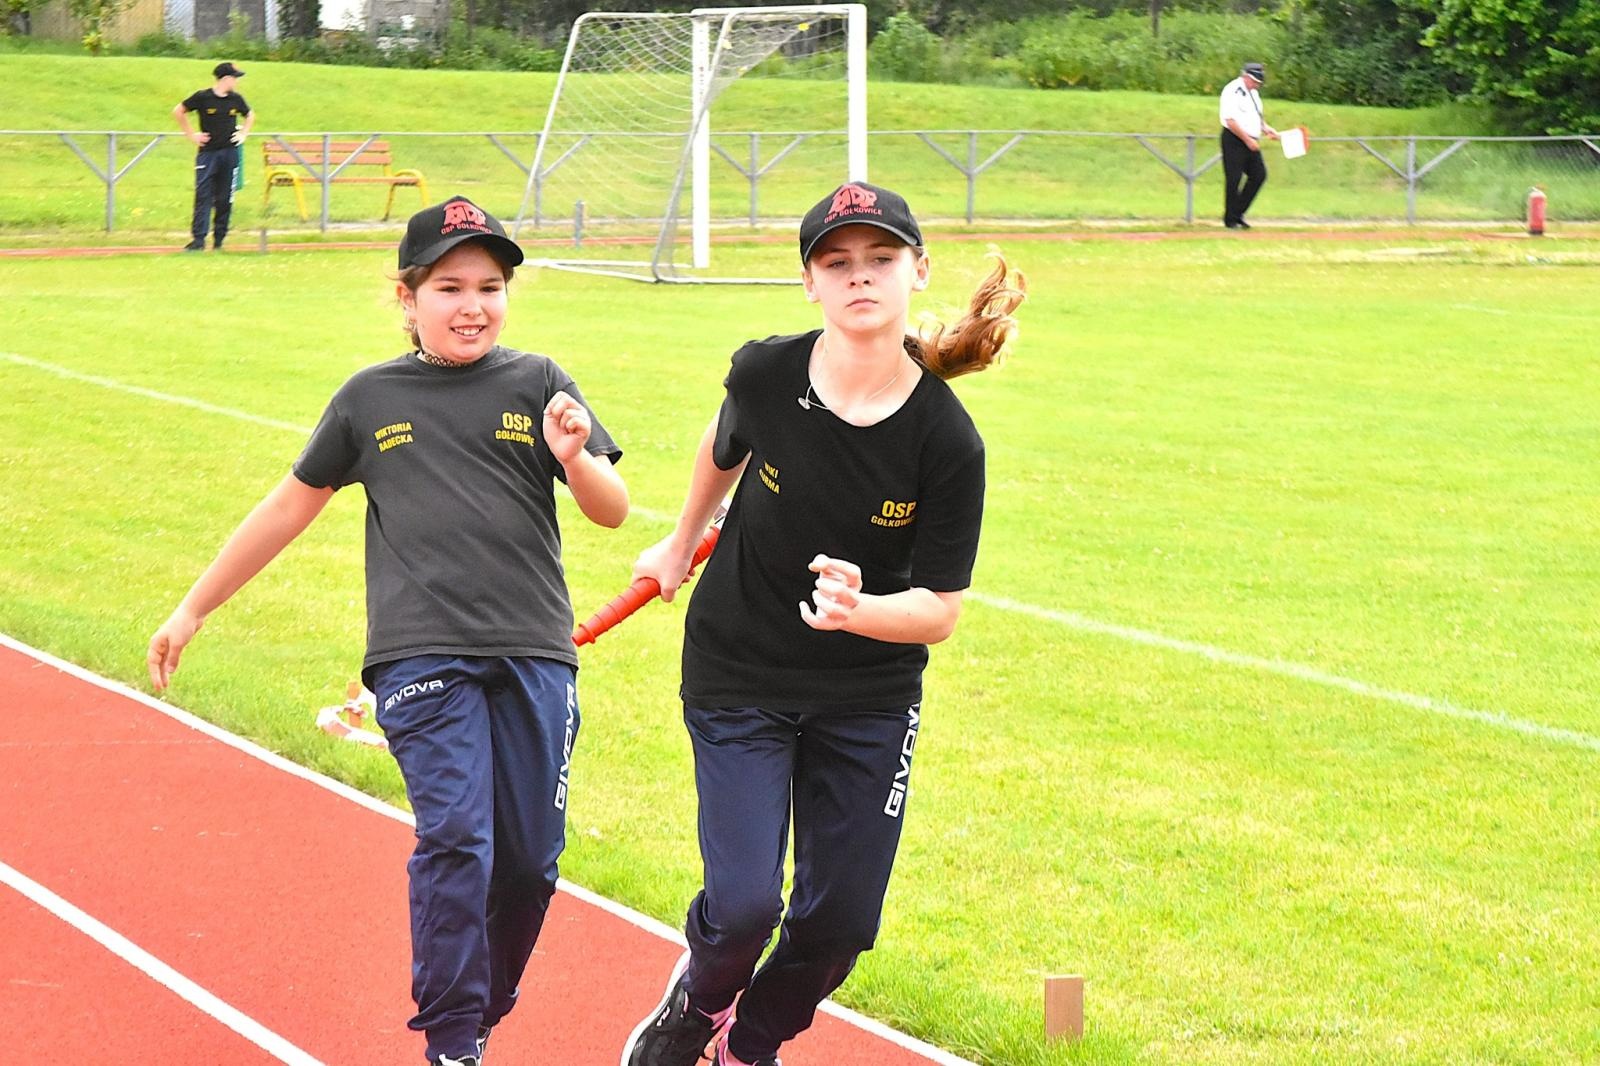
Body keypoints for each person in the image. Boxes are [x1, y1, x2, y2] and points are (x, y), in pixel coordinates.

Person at [146, 195, 629, 1066]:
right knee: (456, 836)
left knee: (528, 863)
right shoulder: (370, 398)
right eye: (449, 286)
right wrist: (194, 606)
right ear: (407, 298)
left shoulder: (541, 382)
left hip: (535, 653)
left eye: (490, 285)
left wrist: (575, 455)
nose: (472, 304)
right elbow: (289, 506)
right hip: (418, 656)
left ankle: (480, 1007)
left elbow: (610, 510)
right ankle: (450, 1041)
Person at [620, 181, 1024, 1066]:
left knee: (840, 925)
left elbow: (940, 614)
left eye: (881, 259)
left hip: (866, 698)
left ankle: (747, 1048)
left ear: (918, 270)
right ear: (811, 283)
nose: (860, 277)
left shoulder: (946, 443)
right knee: (740, 911)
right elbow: (723, 448)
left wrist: (859, 610)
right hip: (739, 672)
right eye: (836, 263)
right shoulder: (765, 372)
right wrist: (680, 541)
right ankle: (698, 1002)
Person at [173, 61, 255, 251]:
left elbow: (250, 115)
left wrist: (244, 133)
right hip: (208, 154)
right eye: (235, 78)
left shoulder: (236, 99)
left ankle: (219, 240)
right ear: (226, 79)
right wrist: (192, 135)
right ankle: (198, 239)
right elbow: (179, 111)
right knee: (203, 195)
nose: (237, 82)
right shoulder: (203, 97)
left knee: (225, 197)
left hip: (229, 153)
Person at [1219, 60, 1279, 230]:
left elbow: (1256, 115)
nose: (1257, 85)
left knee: (1259, 175)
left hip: (1251, 139)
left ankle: (1238, 213)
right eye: (1255, 82)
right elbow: (1230, 120)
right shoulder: (1232, 90)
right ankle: (1230, 220)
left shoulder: (1253, 93)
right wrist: (1247, 140)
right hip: (1235, 139)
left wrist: (1266, 128)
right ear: (1246, 77)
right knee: (1234, 178)